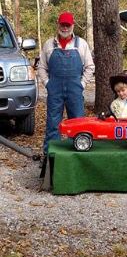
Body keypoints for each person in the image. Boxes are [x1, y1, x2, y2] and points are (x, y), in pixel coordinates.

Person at [38, 11, 95, 154]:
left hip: (74, 90)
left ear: (72, 26)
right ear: (58, 25)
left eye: (67, 25)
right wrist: (47, 83)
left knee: (77, 123)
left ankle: (77, 155)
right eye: (62, 25)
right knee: (53, 124)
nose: (65, 28)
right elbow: (42, 67)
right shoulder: (49, 45)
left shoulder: (81, 44)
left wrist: (81, 84)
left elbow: (90, 67)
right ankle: (50, 156)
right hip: (54, 89)